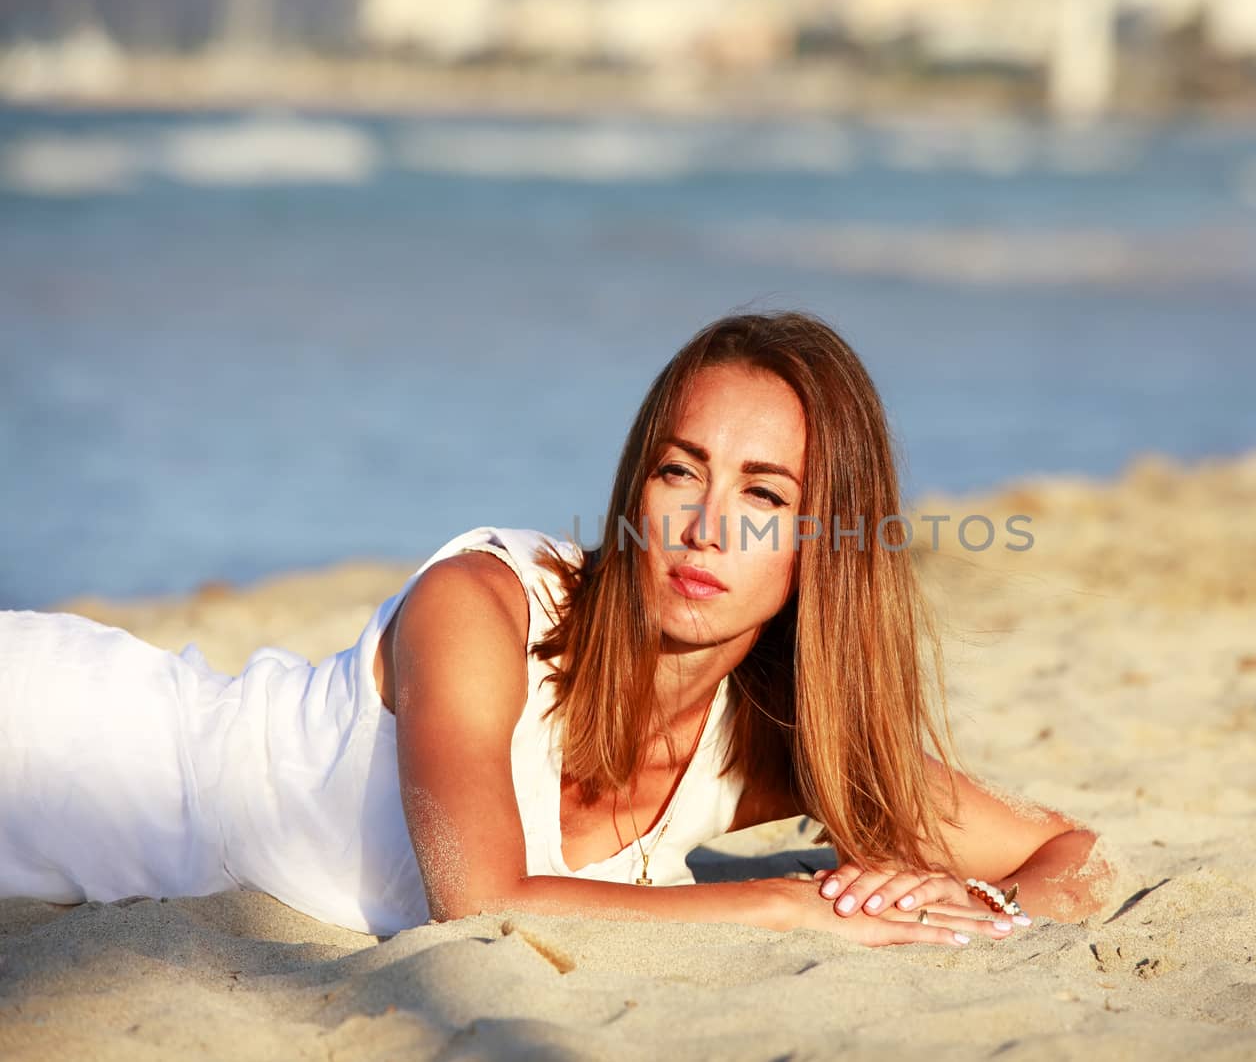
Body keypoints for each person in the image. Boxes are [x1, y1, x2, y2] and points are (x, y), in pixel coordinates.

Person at [0, 312, 1113, 945]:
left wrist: (997, 900)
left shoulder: (768, 736)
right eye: (681, 469)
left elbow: (1059, 847)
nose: (705, 522)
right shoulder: (480, 604)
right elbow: (479, 905)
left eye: (764, 494)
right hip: (57, 738)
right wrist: (797, 903)